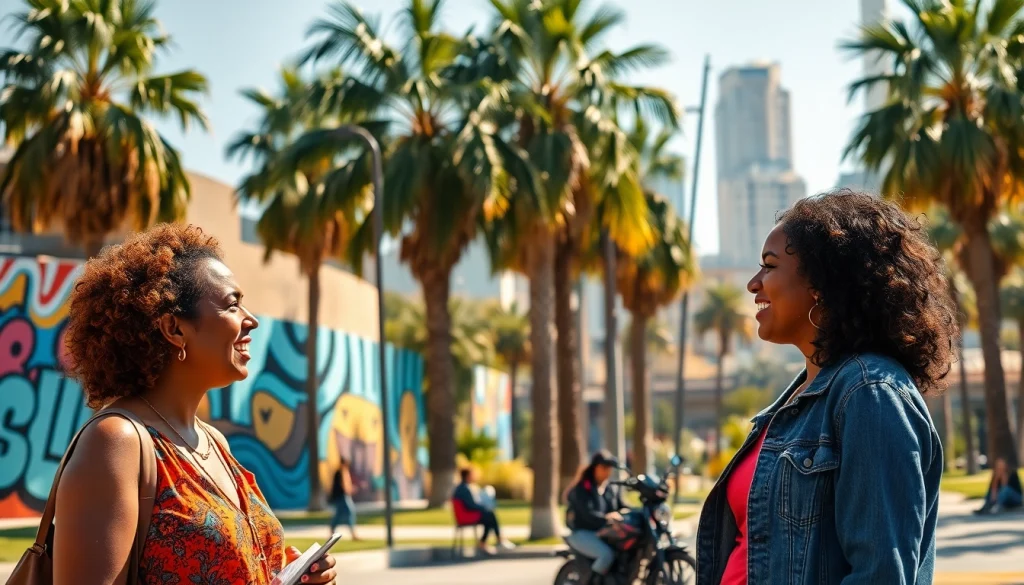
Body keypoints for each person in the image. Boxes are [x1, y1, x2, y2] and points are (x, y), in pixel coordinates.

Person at [695, 190, 957, 585]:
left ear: (821, 283)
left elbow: (879, 575)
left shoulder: (870, 393)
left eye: (769, 266)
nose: (753, 284)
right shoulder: (797, 401)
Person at [55, 224, 338, 585]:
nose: (250, 320)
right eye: (232, 304)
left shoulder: (213, 442)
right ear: (174, 328)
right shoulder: (115, 443)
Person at [564, 451, 627, 584]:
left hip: (605, 533)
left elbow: (622, 506)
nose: (607, 472)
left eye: (609, 469)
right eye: (603, 468)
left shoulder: (609, 488)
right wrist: (607, 519)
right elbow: (588, 514)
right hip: (583, 533)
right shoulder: (582, 488)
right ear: (595, 468)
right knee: (607, 555)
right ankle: (593, 581)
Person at [451, 467, 514, 553]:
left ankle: (487, 542)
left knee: (489, 516)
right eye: (472, 475)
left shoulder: (462, 487)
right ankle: (496, 540)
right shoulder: (464, 489)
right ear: (468, 476)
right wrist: (483, 507)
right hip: (466, 516)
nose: (474, 477)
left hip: (466, 515)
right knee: (490, 516)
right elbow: (471, 505)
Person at [329, 457, 361, 540]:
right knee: (350, 512)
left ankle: (332, 530)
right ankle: (353, 533)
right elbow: (344, 485)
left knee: (339, 514)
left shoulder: (341, 472)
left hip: (342, 496)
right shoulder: (340, 472)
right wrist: (351, 489)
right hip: (341, 496)